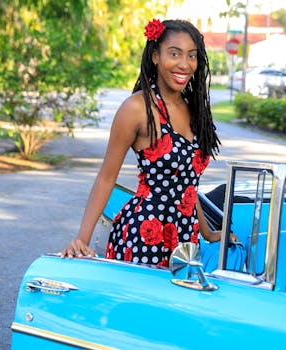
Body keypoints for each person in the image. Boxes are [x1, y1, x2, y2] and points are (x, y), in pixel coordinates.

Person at [62, 19, 224, 267]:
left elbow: (188, 186)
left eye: (192, 56)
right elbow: (106, 178)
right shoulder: (137, 109)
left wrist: (207, 233)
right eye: (174, 54)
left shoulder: (194, 110)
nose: (184, 64)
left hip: (185, 239)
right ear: (156, 56)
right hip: (144, 236)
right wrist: (82, 240)